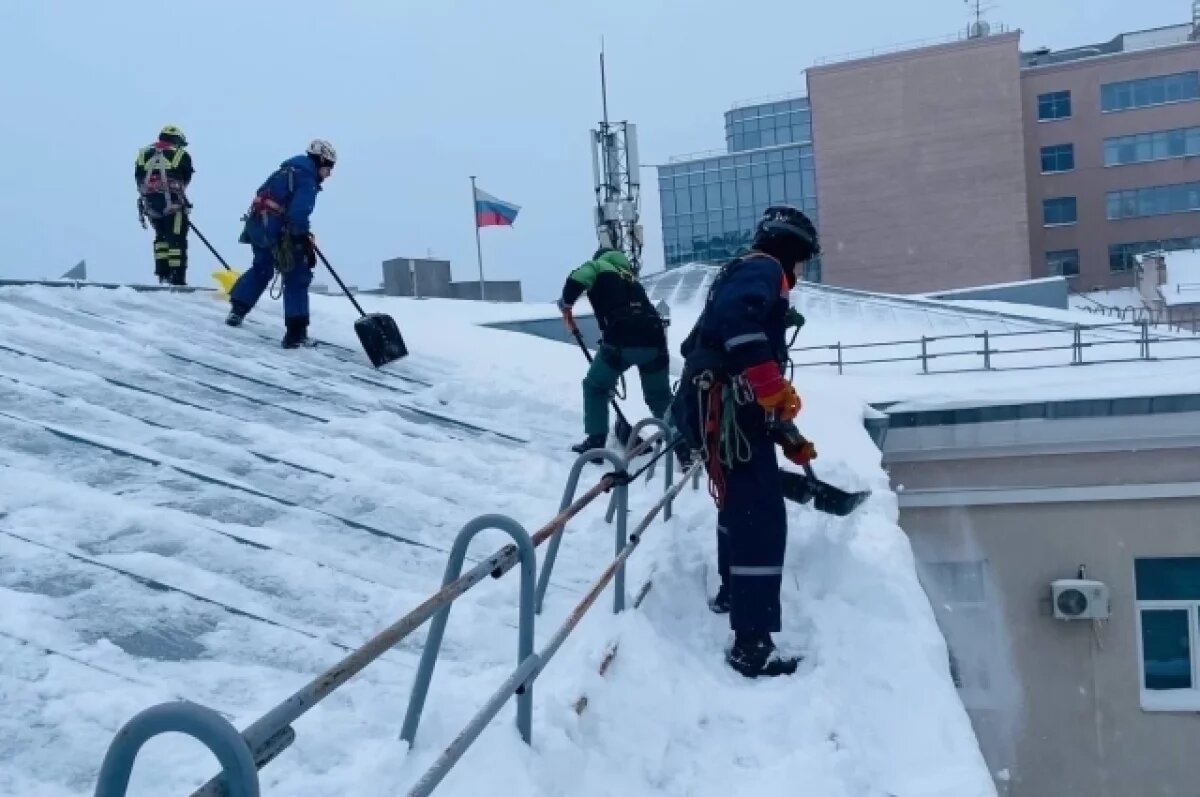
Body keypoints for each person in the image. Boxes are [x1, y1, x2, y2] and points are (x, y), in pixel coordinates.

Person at [670, 204, 821, 678]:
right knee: (761, 519)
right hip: (722, 406)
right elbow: (740, 325)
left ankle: (733, 593)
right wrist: (771, 386)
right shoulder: (764, 268)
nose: (798, 271)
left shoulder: (742, 270)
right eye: (801, 260)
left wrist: (783, 429)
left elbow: (712, 344)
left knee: (740, 504)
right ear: (789, 250)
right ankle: (751, 645)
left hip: (720, 407)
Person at [557, 247, 672, 453]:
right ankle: (682, 447)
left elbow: (578, 277)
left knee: (595, 386)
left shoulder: (598, 265)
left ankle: (595, 443)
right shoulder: (631, 278)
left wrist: (566, 301)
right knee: (660, 397)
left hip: (621, 340)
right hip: (655, 341)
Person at [226, 140, 337, 348]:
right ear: (321, 160)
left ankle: (237, 310)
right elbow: (299, 212)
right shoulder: (306, 177)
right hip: (278, 230)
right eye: (329, 167)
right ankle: (296, 334)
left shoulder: (285, 171)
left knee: (262, 268)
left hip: (257, 226)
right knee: (297, 276)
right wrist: (300, 235)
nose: (329, 174)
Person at [135, 125, 194, 286]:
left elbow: (138, 177)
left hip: (151, 206)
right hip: (173, 205)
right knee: (177, 240)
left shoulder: (143, 153)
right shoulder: (180, 154)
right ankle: (177, 278)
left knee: (160, 238)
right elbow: (185, 177)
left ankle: (163, 275)